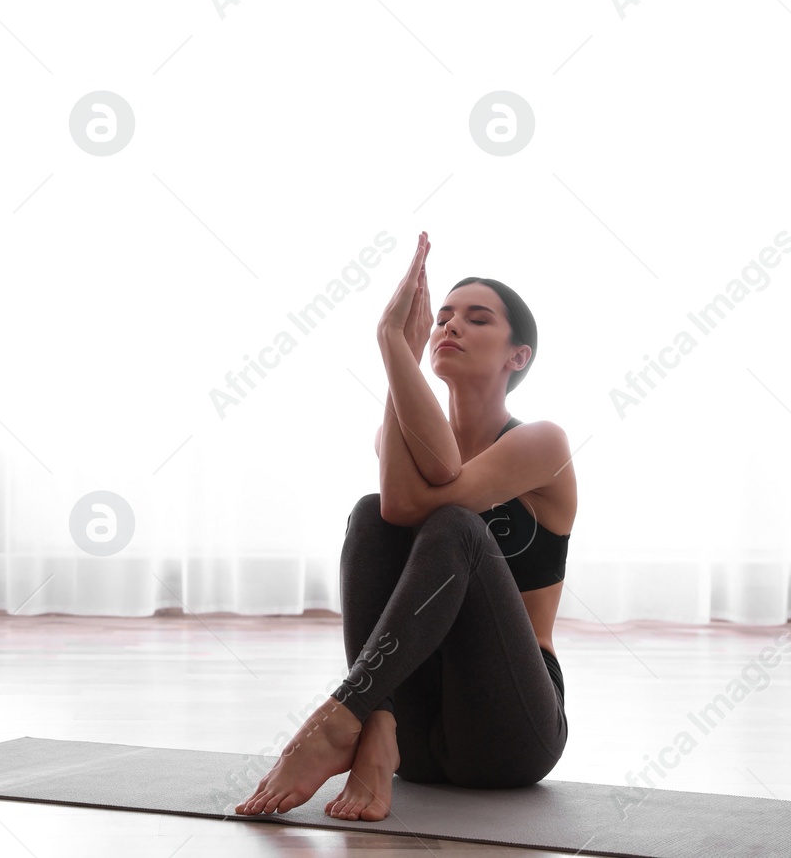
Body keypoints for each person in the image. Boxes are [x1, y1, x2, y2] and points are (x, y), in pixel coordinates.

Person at [235, 231, 577, 821]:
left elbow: (426, 499)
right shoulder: (392, 436)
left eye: (477, 318)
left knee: (454, 526)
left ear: (518, 356)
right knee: (370, 511)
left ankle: (339, 720)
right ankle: (374, 730)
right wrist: (396, 345)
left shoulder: (542, 442)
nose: (450, 326)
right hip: (415, 733)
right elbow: (394, 508)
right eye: (441, 316)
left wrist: (396, 341)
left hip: (511, 726)